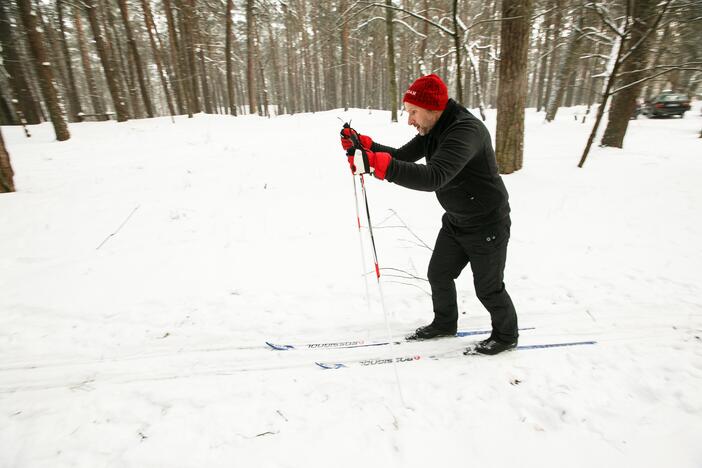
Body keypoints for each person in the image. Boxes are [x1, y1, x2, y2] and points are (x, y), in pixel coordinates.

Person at [339, 74, 518, 355]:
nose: (410, 119)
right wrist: (365, 147)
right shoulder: (434, 127)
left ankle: (506, 336)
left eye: (413, 112)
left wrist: (378, 165)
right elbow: (402, 156)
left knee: (489, 288)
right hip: (457, 219)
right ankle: (445, 324)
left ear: (432, 108)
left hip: (487, 223)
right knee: (439, 273)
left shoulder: (465, 131)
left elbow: (434, 177)